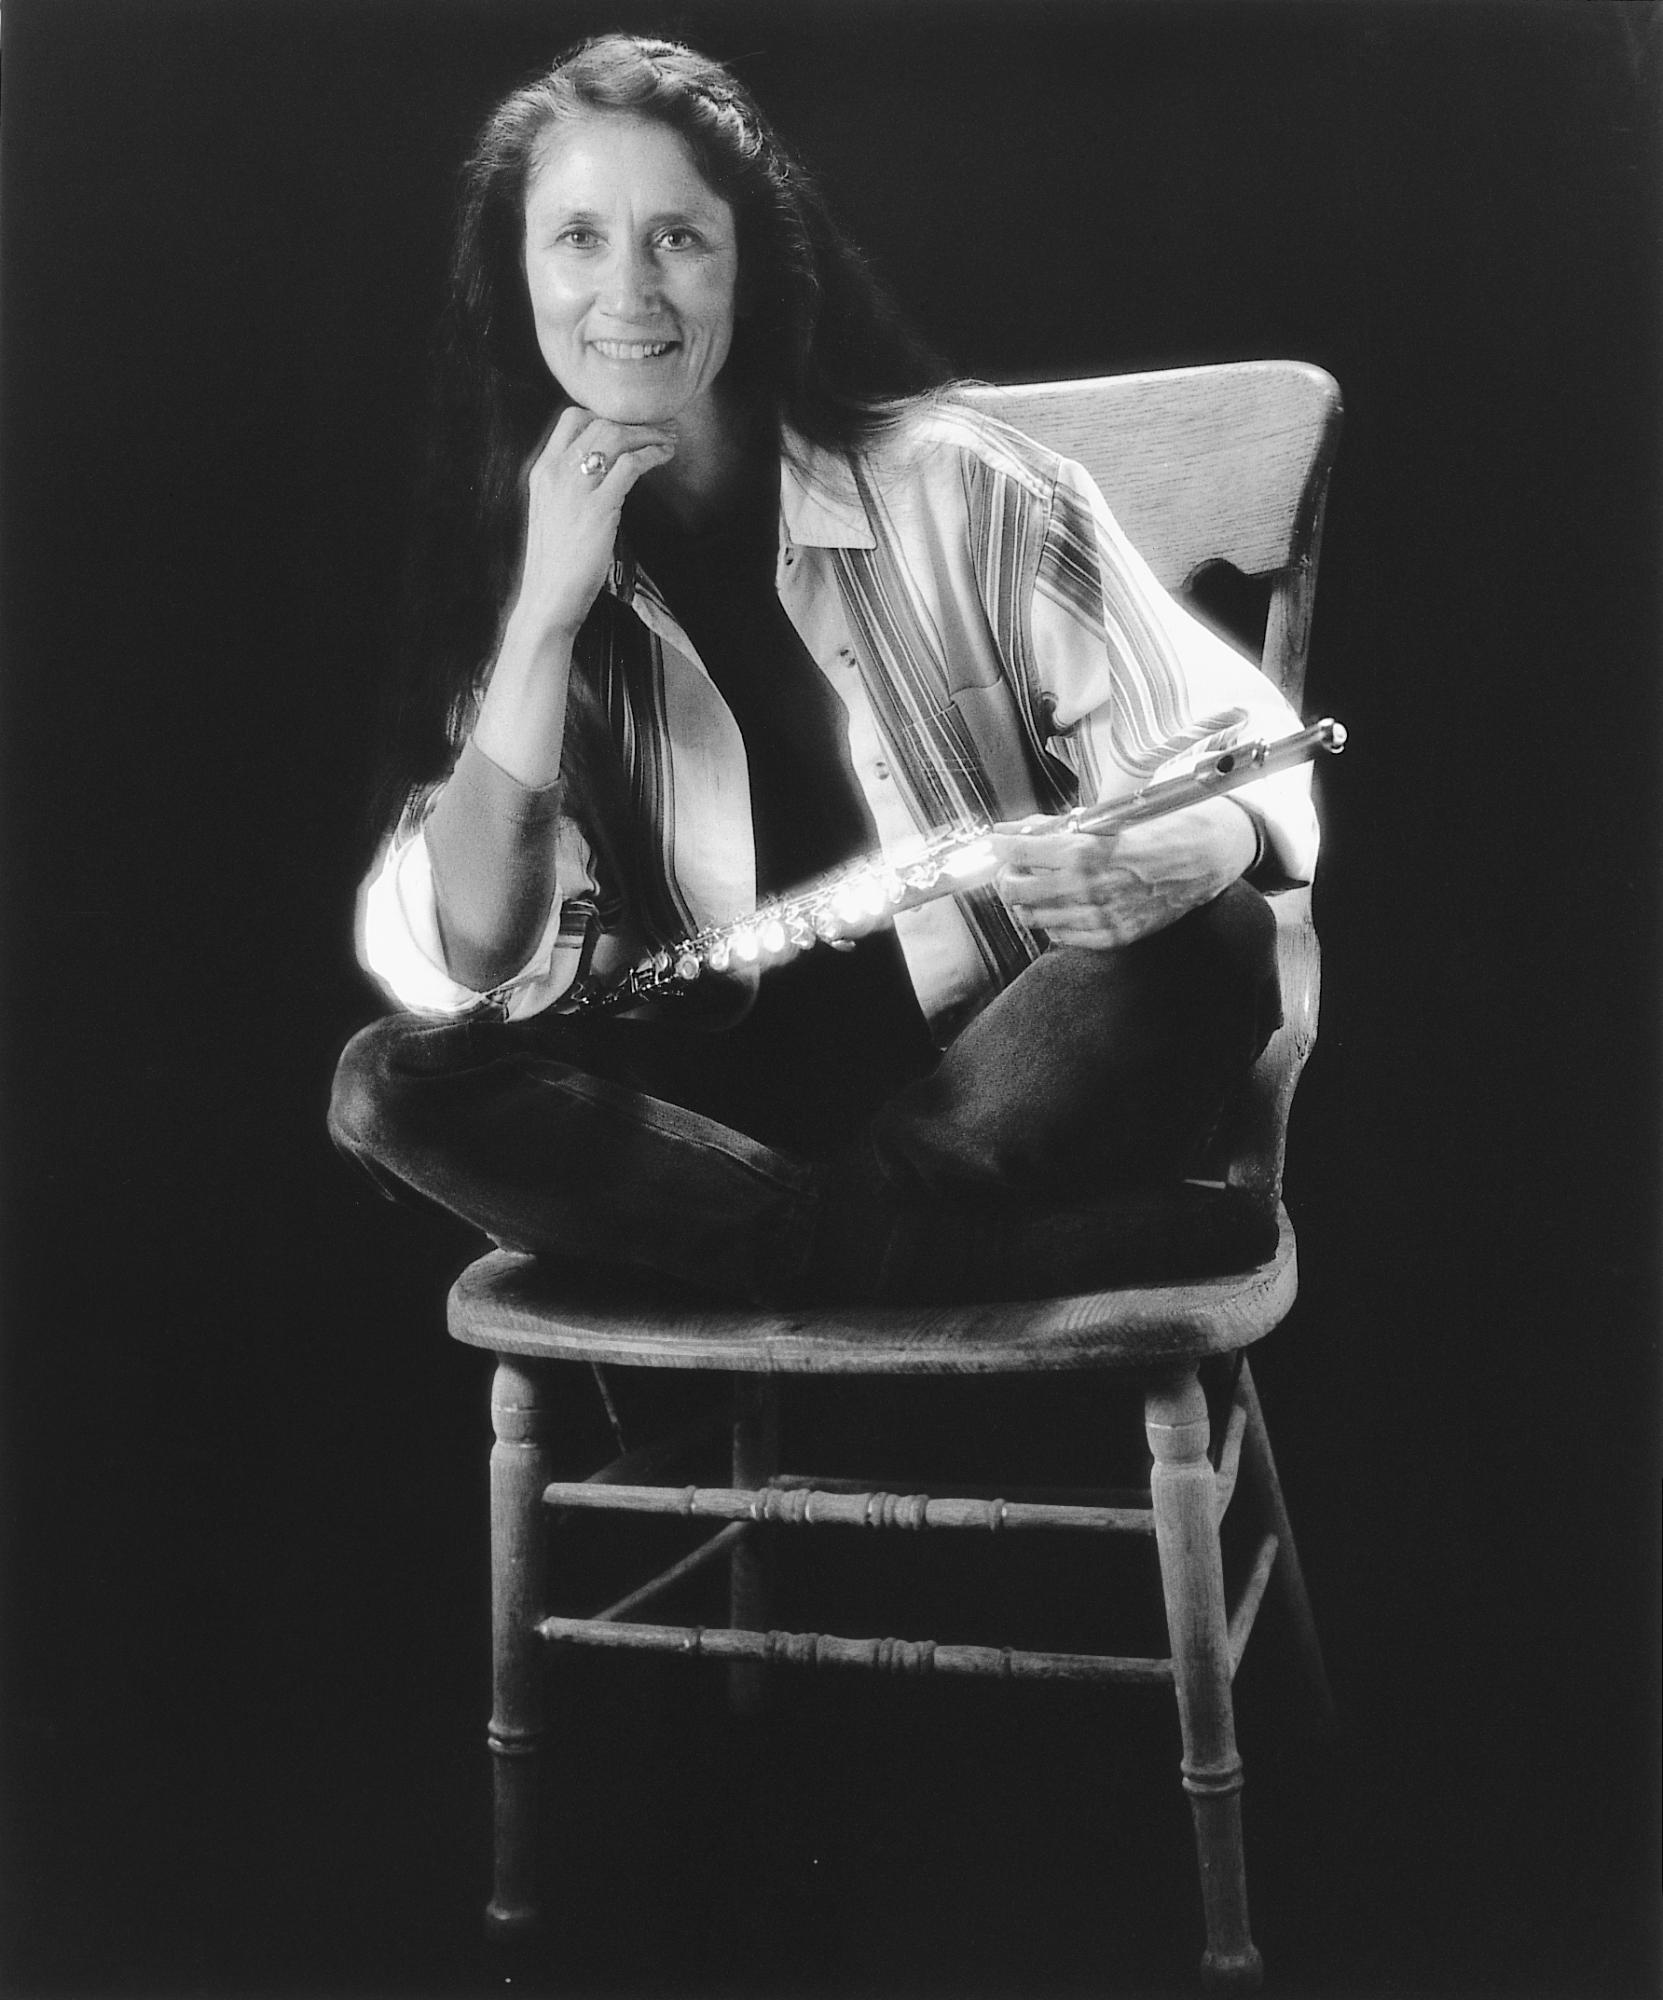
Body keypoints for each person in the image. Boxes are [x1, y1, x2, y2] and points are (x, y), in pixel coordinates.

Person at [328, 32, 1319, 1308]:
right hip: (719, 1122)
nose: (627, 292)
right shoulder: (518, 568)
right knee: (388, 1082)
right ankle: (944, 1256)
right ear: (521, 274)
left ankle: (818, 1247)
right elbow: (475, 956)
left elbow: (1244, 760)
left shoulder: (960, 485)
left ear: (747, 264)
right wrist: (543, 618)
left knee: (1216, 936)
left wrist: (1186, 851)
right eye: (577, 238)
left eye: (677, 238)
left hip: (1003, 1075)